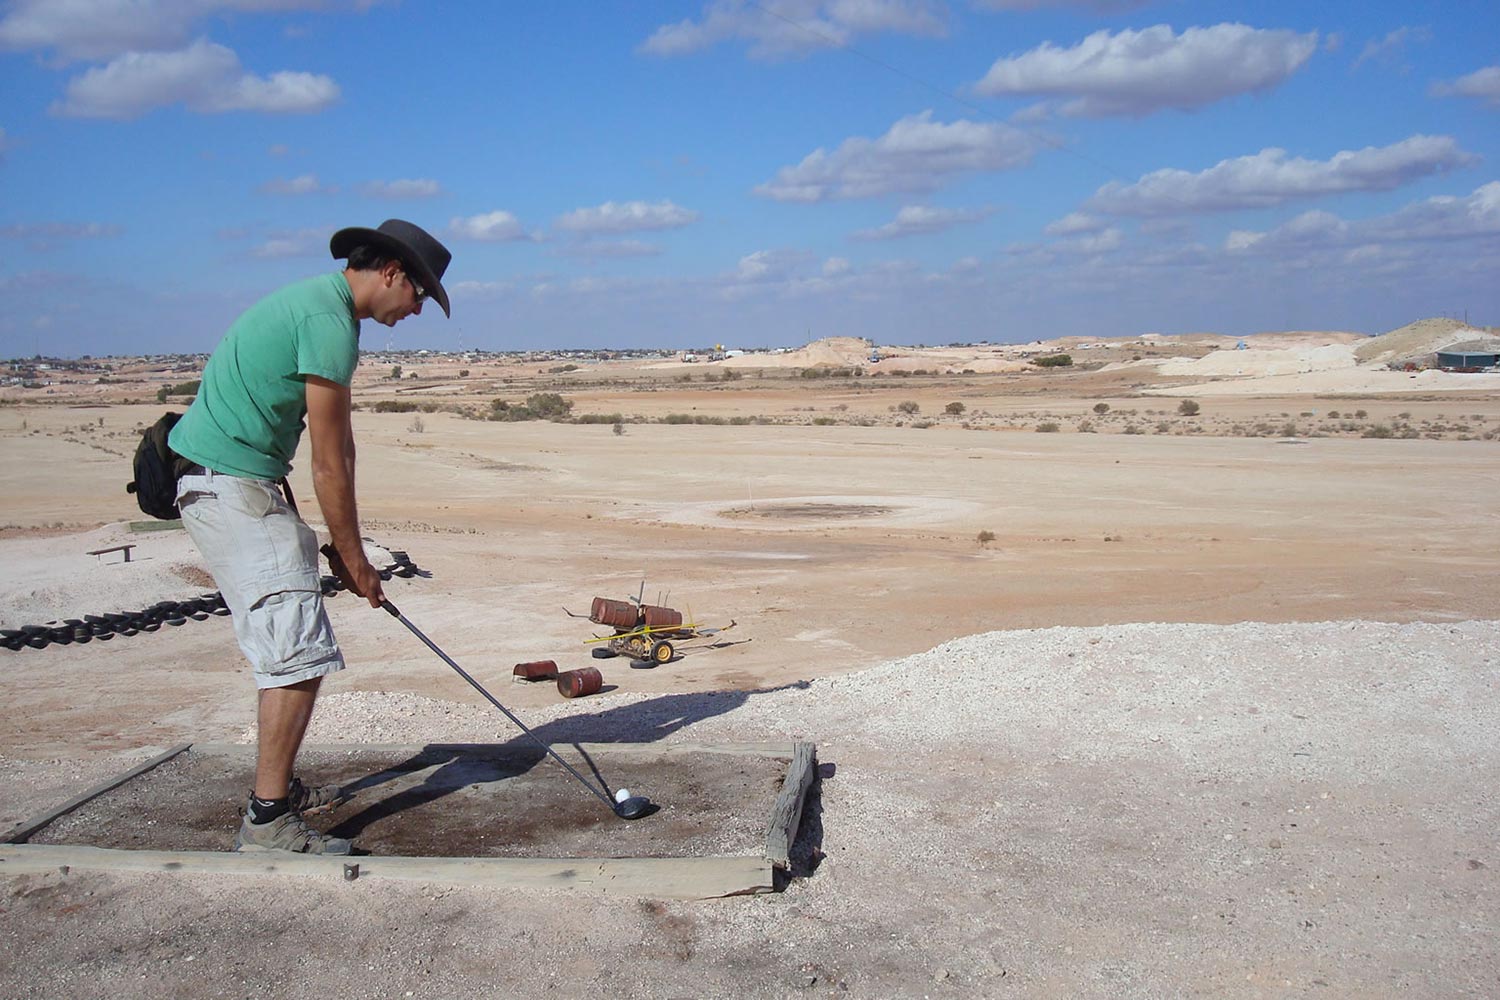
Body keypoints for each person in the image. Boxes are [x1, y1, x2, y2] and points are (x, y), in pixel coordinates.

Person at [168, 219, 452, 854]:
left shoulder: (323, 309)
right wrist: (352, 555)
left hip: (238, 483)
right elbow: (326, 462)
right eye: (419, 295)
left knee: (296, 643)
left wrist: (349, 548)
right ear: (392, 272)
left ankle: (277, 792)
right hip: (227, 488)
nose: (416, 310)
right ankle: (267, 824)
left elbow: (339, 446)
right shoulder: (327, 324)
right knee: (298, 651)